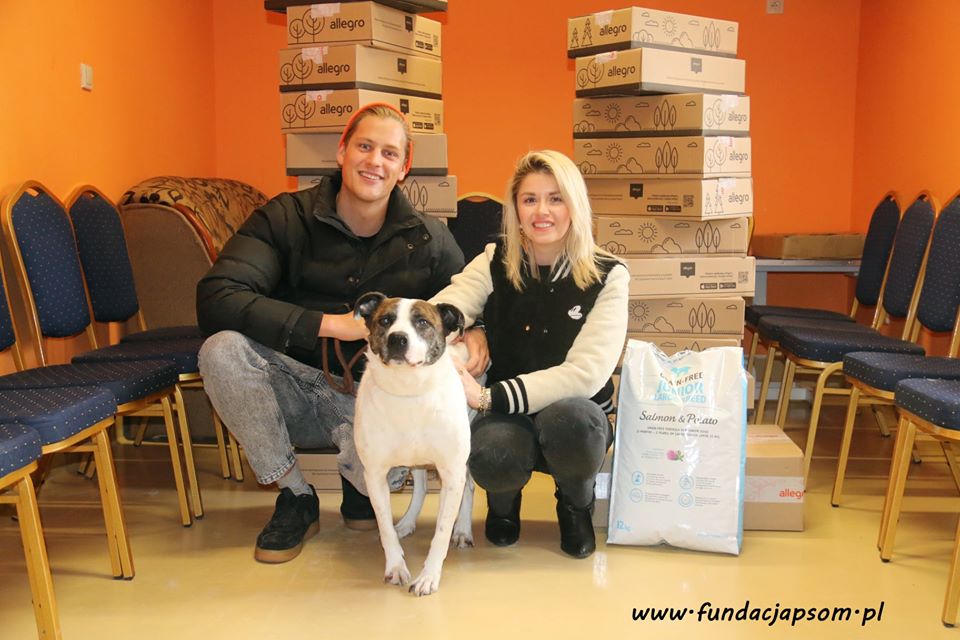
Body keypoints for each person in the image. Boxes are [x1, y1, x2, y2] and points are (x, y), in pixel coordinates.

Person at [196, 103, 488, 564]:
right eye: (364, 146)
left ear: (404, 167)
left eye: (389, 153)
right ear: (341, 151)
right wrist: (329, 324)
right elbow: (217, 296)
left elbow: (466, 299)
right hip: (293, 385)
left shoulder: (429, 239)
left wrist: (477, 331)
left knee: (395, 455)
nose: (375, 161)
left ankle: (362, 485)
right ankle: (296, 495)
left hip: (377, 401)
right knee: (221, 351)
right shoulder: (284, 218)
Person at [431, 149, 628, 559]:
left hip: (573, 410)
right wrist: (457, 328)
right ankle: (503, 506)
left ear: (575, 205)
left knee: (574, 423)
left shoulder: (609, 274)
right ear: (516, 209)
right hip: (510, 416)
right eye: (530, 199)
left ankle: (575, 506)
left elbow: (586, 374)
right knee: (491, 451)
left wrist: (486, 397)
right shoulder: (495, 260)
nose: (542, 211)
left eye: (556, 199)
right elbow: (446, 308)